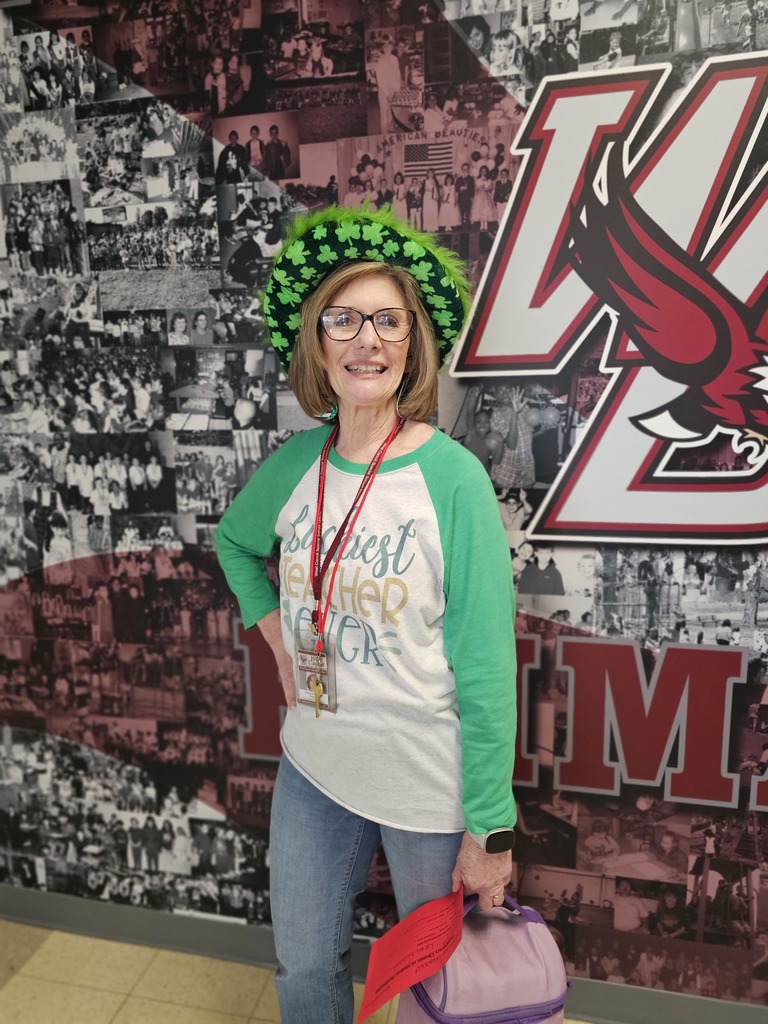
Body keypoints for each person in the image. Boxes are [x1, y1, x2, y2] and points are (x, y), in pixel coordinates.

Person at [214, 205, 517, 1024]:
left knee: (438, 992)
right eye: (344, 319)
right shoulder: (293, 465)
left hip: (425, 787)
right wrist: (275, 633)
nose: (367, 341)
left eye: (388, 320)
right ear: (318, 341)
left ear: (412, 341)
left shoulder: (451, 480)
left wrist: (489, 830)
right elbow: (234, 546)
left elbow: (487, 664)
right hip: (314, 770)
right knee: (305, 966)